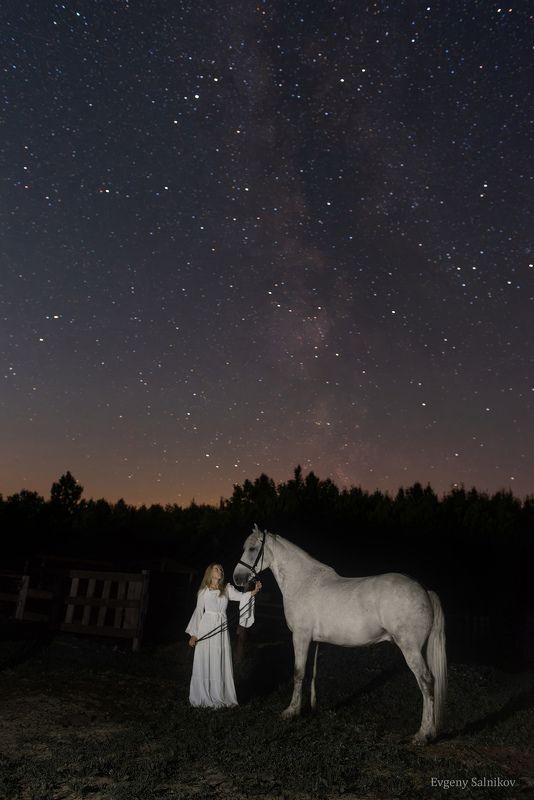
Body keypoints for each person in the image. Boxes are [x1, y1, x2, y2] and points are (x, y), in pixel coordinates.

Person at [186, 563, 261, 708]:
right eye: (216, 569)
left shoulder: (226, 589)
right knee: (206, 658)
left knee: (219, 658)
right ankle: (203, 694)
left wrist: (254, 591)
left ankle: (219, 694)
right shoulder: (204, 592)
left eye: (221, 569)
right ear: (210, 573)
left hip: (221, 627)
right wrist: (194, 635)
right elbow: (198, 611)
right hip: (206, 627)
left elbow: (242, 597)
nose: (220, 571)